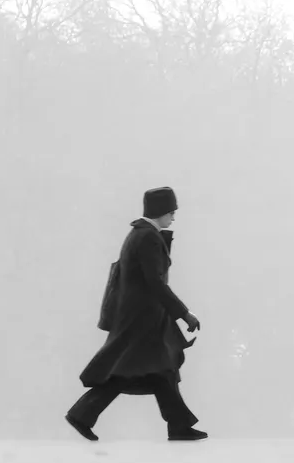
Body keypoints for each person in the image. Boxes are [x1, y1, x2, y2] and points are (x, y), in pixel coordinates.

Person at [65, 187, 207, 442]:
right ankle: (81, 414)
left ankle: (178, 425)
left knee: (160, 370)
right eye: (171, 212)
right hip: (142, 320)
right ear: (160, 211)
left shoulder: (141, 234)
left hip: (143, 317)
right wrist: (184, 314)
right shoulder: (147, 237)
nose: (173, 217)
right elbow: (156, 283)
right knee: (128, 371)